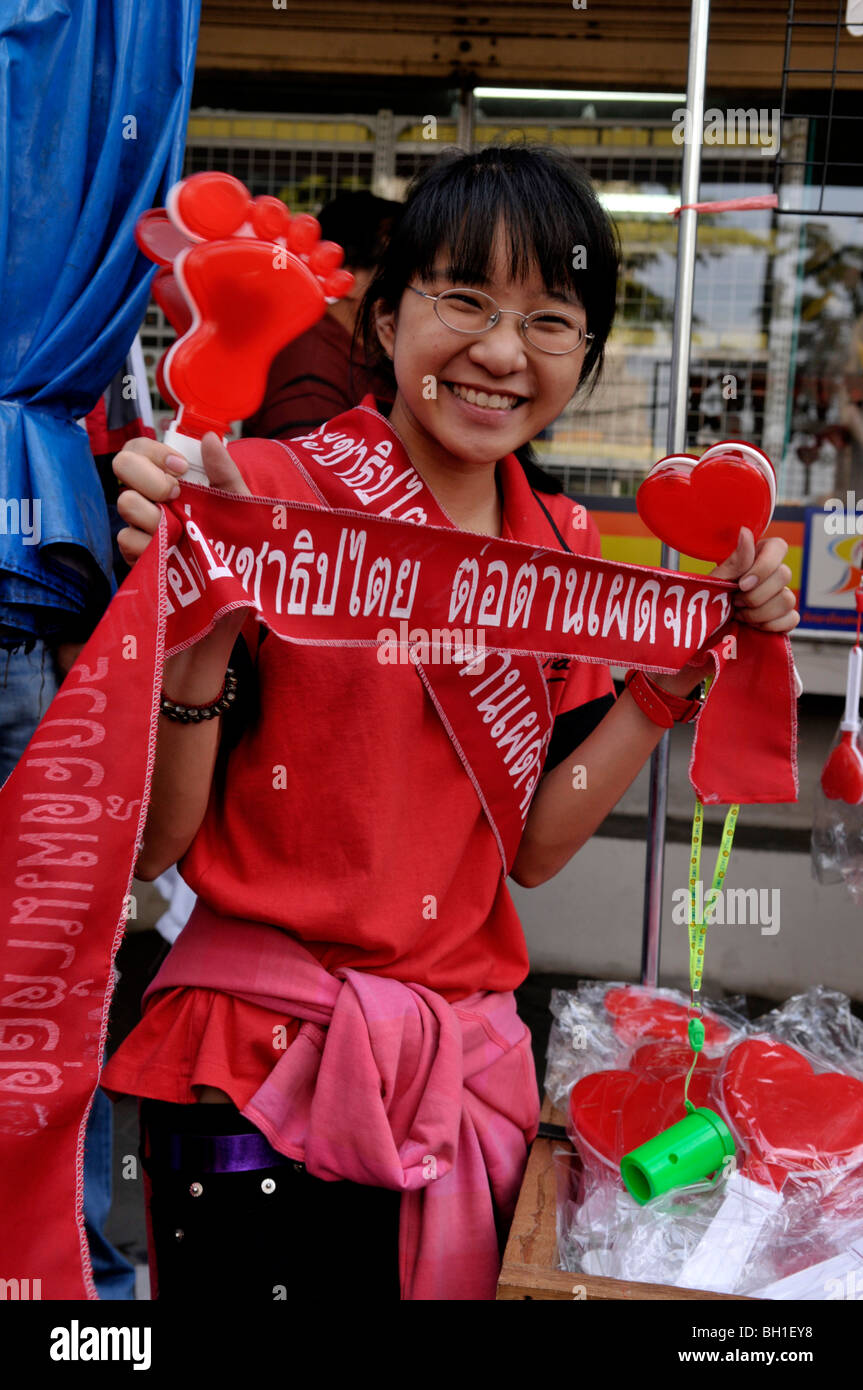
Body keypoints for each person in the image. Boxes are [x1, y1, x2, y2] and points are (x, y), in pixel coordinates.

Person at [101, 143, 800, 1302]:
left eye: (547, 317)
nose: (495, 349)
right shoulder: (265, 493)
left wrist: (668, 682)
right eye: (462, 299)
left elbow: (530, 849)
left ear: (582, 355)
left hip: (457, 1080)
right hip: (254, 1072)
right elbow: (152, 851)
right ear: (381, 323)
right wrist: (200, 628)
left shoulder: (567, 557)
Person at [240, 190, 401, 438]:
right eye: (400, 274)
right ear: (350, 278)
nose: (412, 289)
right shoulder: (309, 368)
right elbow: (309, 473)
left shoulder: (359, 353)